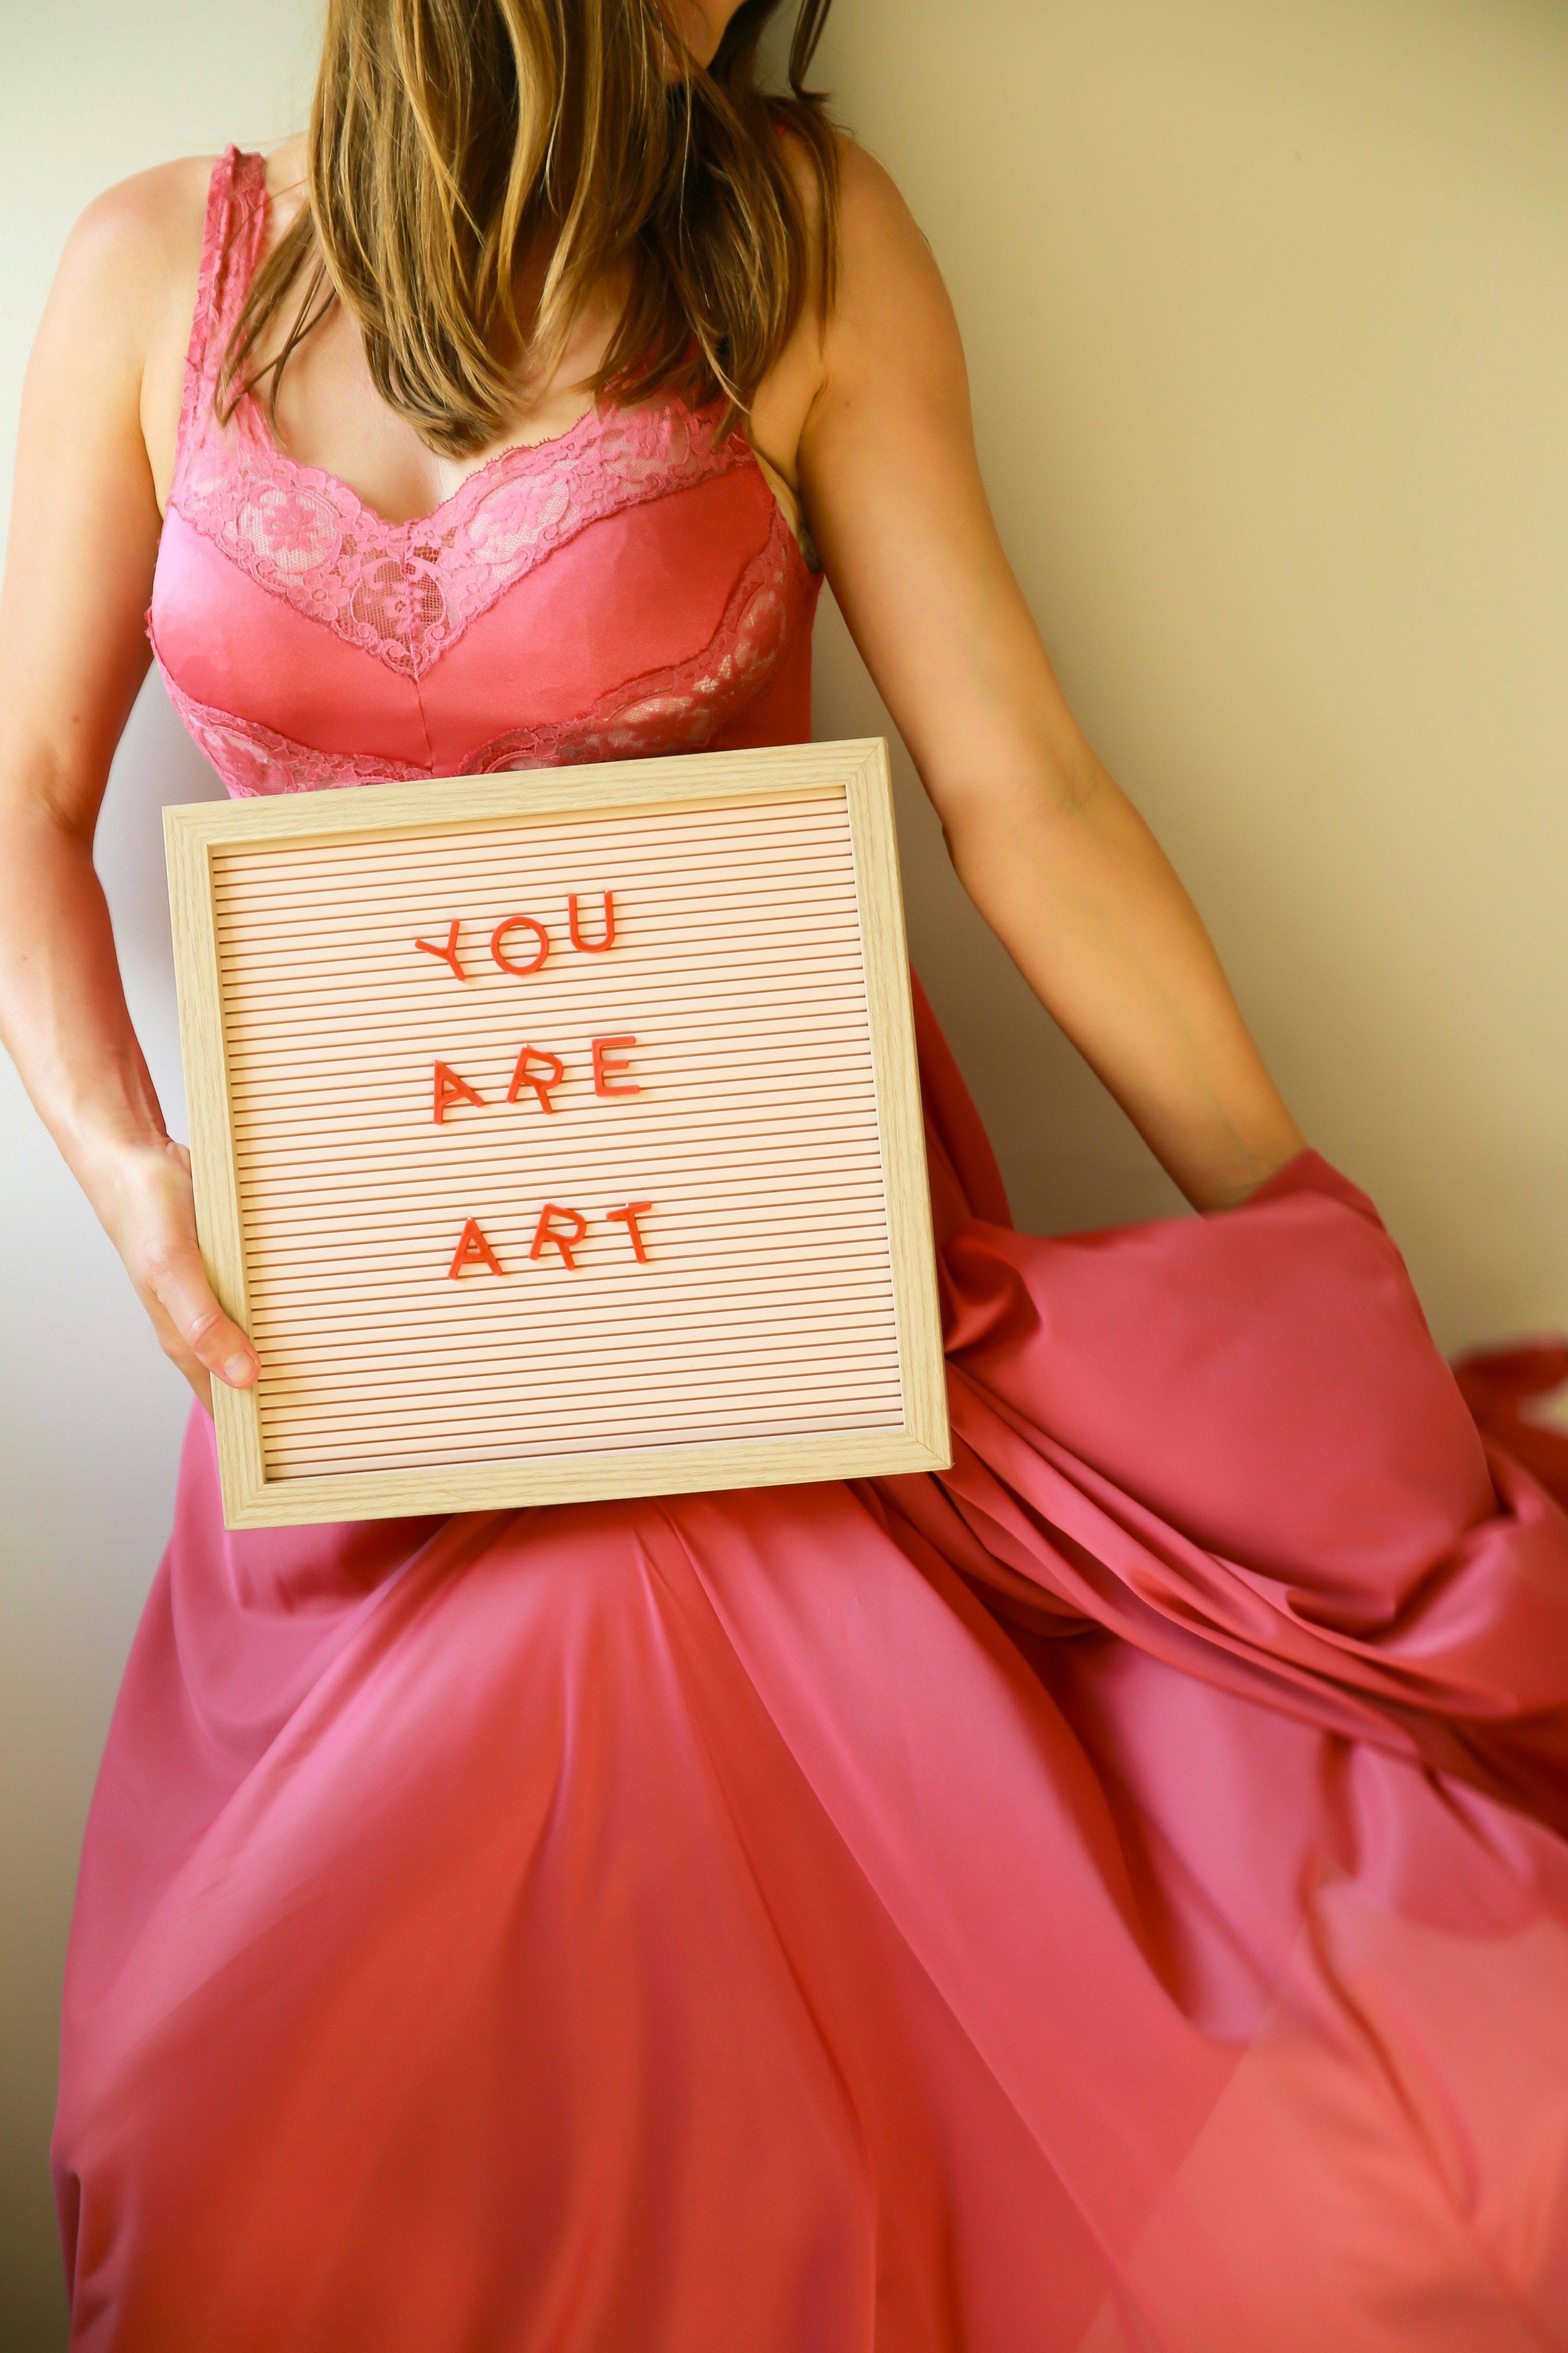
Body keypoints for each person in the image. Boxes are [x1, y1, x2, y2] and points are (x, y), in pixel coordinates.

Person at [3, 1, 1566, 2344]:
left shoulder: (792, 234)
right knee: (237, 2130)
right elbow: (19, 785)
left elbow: (1015, 792)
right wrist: (132, 1182)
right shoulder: (151, 269)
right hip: (363, 1372)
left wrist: (1297, 1242)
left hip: (786, 1325)